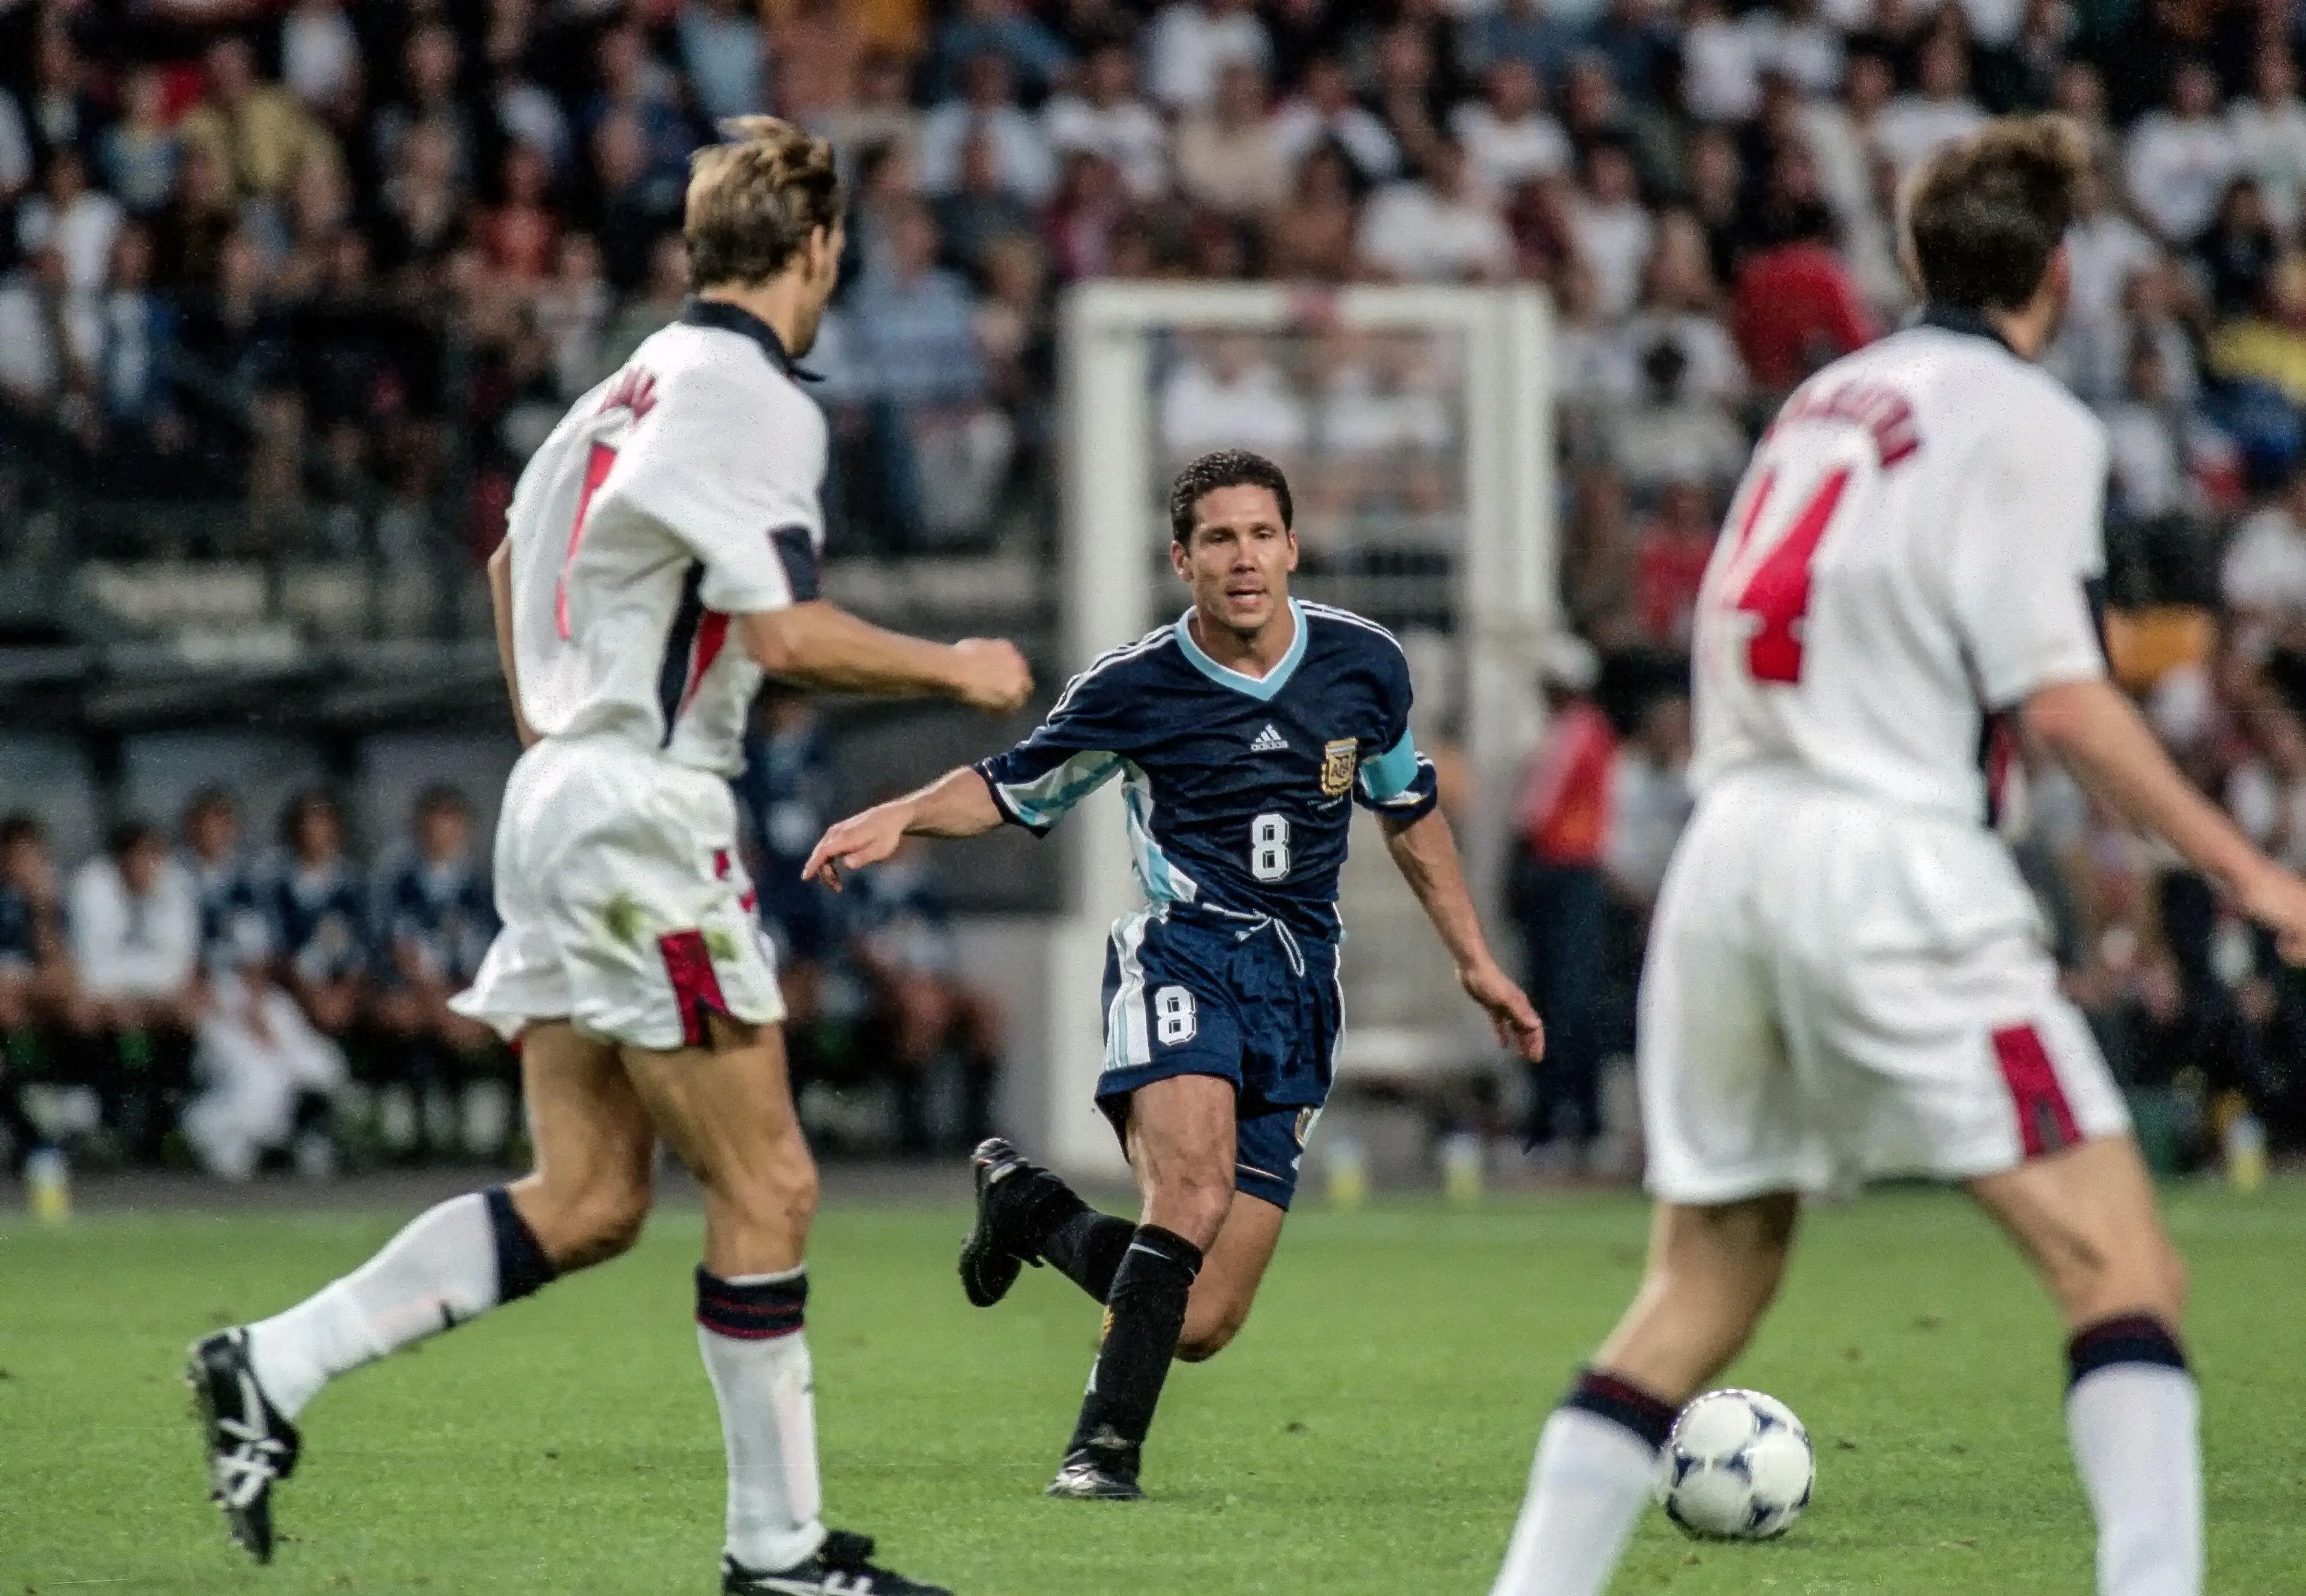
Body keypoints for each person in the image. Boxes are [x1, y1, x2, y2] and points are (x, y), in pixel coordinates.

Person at [187, 116, 1031, 1596]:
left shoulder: (616, 391)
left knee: (588, 1200)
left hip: (563, 787)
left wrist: (566, 736)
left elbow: (514, 556)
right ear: (820, 249)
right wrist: (957, 668)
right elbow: (782, 638)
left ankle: (269, 1362)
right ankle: (776, 1558)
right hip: (642, 809)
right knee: (769, 1183)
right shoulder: (753, 397)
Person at [1489, 116, 2306, 1596]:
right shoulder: (2031, 420)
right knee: (2124, 1272)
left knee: (1703, 1286)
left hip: (1729, 866)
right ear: (2058, 271)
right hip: (1891, 863)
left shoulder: (1821, 403)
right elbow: (2063, 699)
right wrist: (2249, 877)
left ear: (1917, 257)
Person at [803, 448, 1545, 1501]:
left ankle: (1027, 1208)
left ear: (1291, 546)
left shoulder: (1364, 666)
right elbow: (1016, 789)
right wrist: (900, 812)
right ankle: (1100, 1450)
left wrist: (1475, 960)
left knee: (1198, 1321)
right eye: (1217, 540)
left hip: (1299, 990)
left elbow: (1408, 810)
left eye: (1259, 535)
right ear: (1181, 560)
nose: (1242, 558)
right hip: (1184, 949)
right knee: (1189, 1191)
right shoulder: (1133, 686)